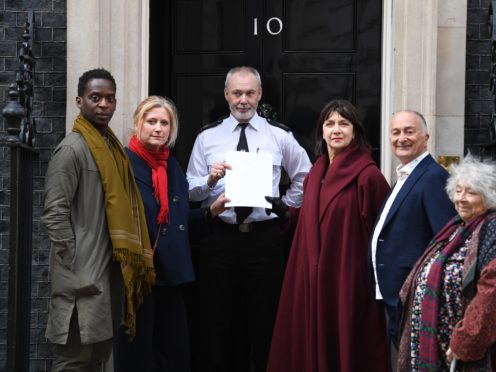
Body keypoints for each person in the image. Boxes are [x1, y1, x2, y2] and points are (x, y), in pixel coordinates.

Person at [186, 66, 312, 371]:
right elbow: (190, 190)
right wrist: (210, 181)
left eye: (250, 93)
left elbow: (305, 176)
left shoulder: (279, 135)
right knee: (216, 322)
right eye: (237, 93)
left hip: (264, 240)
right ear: (227, 94)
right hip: (220, 239)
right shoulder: (207, 137)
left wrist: (281, 206)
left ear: (260, 95)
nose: (244, 100)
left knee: (266, 321)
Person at [42, 68, 155, 371]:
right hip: (81, 279)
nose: (104, 104)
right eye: (95, 98)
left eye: (109, 98)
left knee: (97, 359)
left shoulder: (111, 148)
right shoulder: (72, 149)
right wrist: (77, 262)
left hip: (105, 277)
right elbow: (54, 212)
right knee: (72, 360)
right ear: (80, 101)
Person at [266, 99, 391, 372]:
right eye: (330, 123)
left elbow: (384, 234)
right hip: (308, 279)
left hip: (346, 281)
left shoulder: (368, 176)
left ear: (355, 131)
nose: (337, 129)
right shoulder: (315, 173)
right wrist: (288, 214)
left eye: (344, 124)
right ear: (321, 131)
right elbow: (315, 220)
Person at [114, 96, 229, 371]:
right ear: (137, 125)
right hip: (139, 277)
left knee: (174, 353)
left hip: (171, 276)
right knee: (138, 355)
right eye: (151, 121)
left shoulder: (172, 167)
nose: (158, 128)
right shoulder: (123, 164)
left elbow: (178, 222)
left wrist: (211, 211)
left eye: (164, 123)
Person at [397, 155, 496, 371]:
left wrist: (465, 340)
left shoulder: (491, 230)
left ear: (488, 196)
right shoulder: (455, 227)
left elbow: (491, 295)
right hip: (436, 343)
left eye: (471, 192)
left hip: (462, 351)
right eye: (458, 190)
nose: (462, 198)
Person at [369, 110, 457, 346]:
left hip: (413, 294)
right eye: (396, 132)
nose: (401, 138)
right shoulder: (407, 175)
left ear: (426, 137)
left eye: (409, 131)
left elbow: (446, 240)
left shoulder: (432, 177)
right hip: (395, 295)